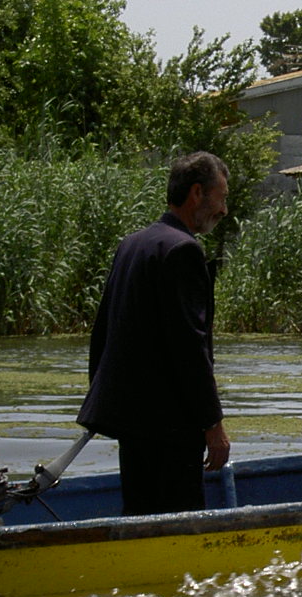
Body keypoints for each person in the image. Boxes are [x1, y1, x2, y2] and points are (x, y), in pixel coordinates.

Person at [79, 151, 232, 514]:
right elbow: (189, 348)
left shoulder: (132, 244)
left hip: (132, 423)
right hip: (170, 427)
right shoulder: (183, 250)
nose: (223, 210)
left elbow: (102, 334)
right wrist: (213, 424)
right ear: (197, 193)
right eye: (221, 198)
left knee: (140, 517)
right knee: (177, 523)